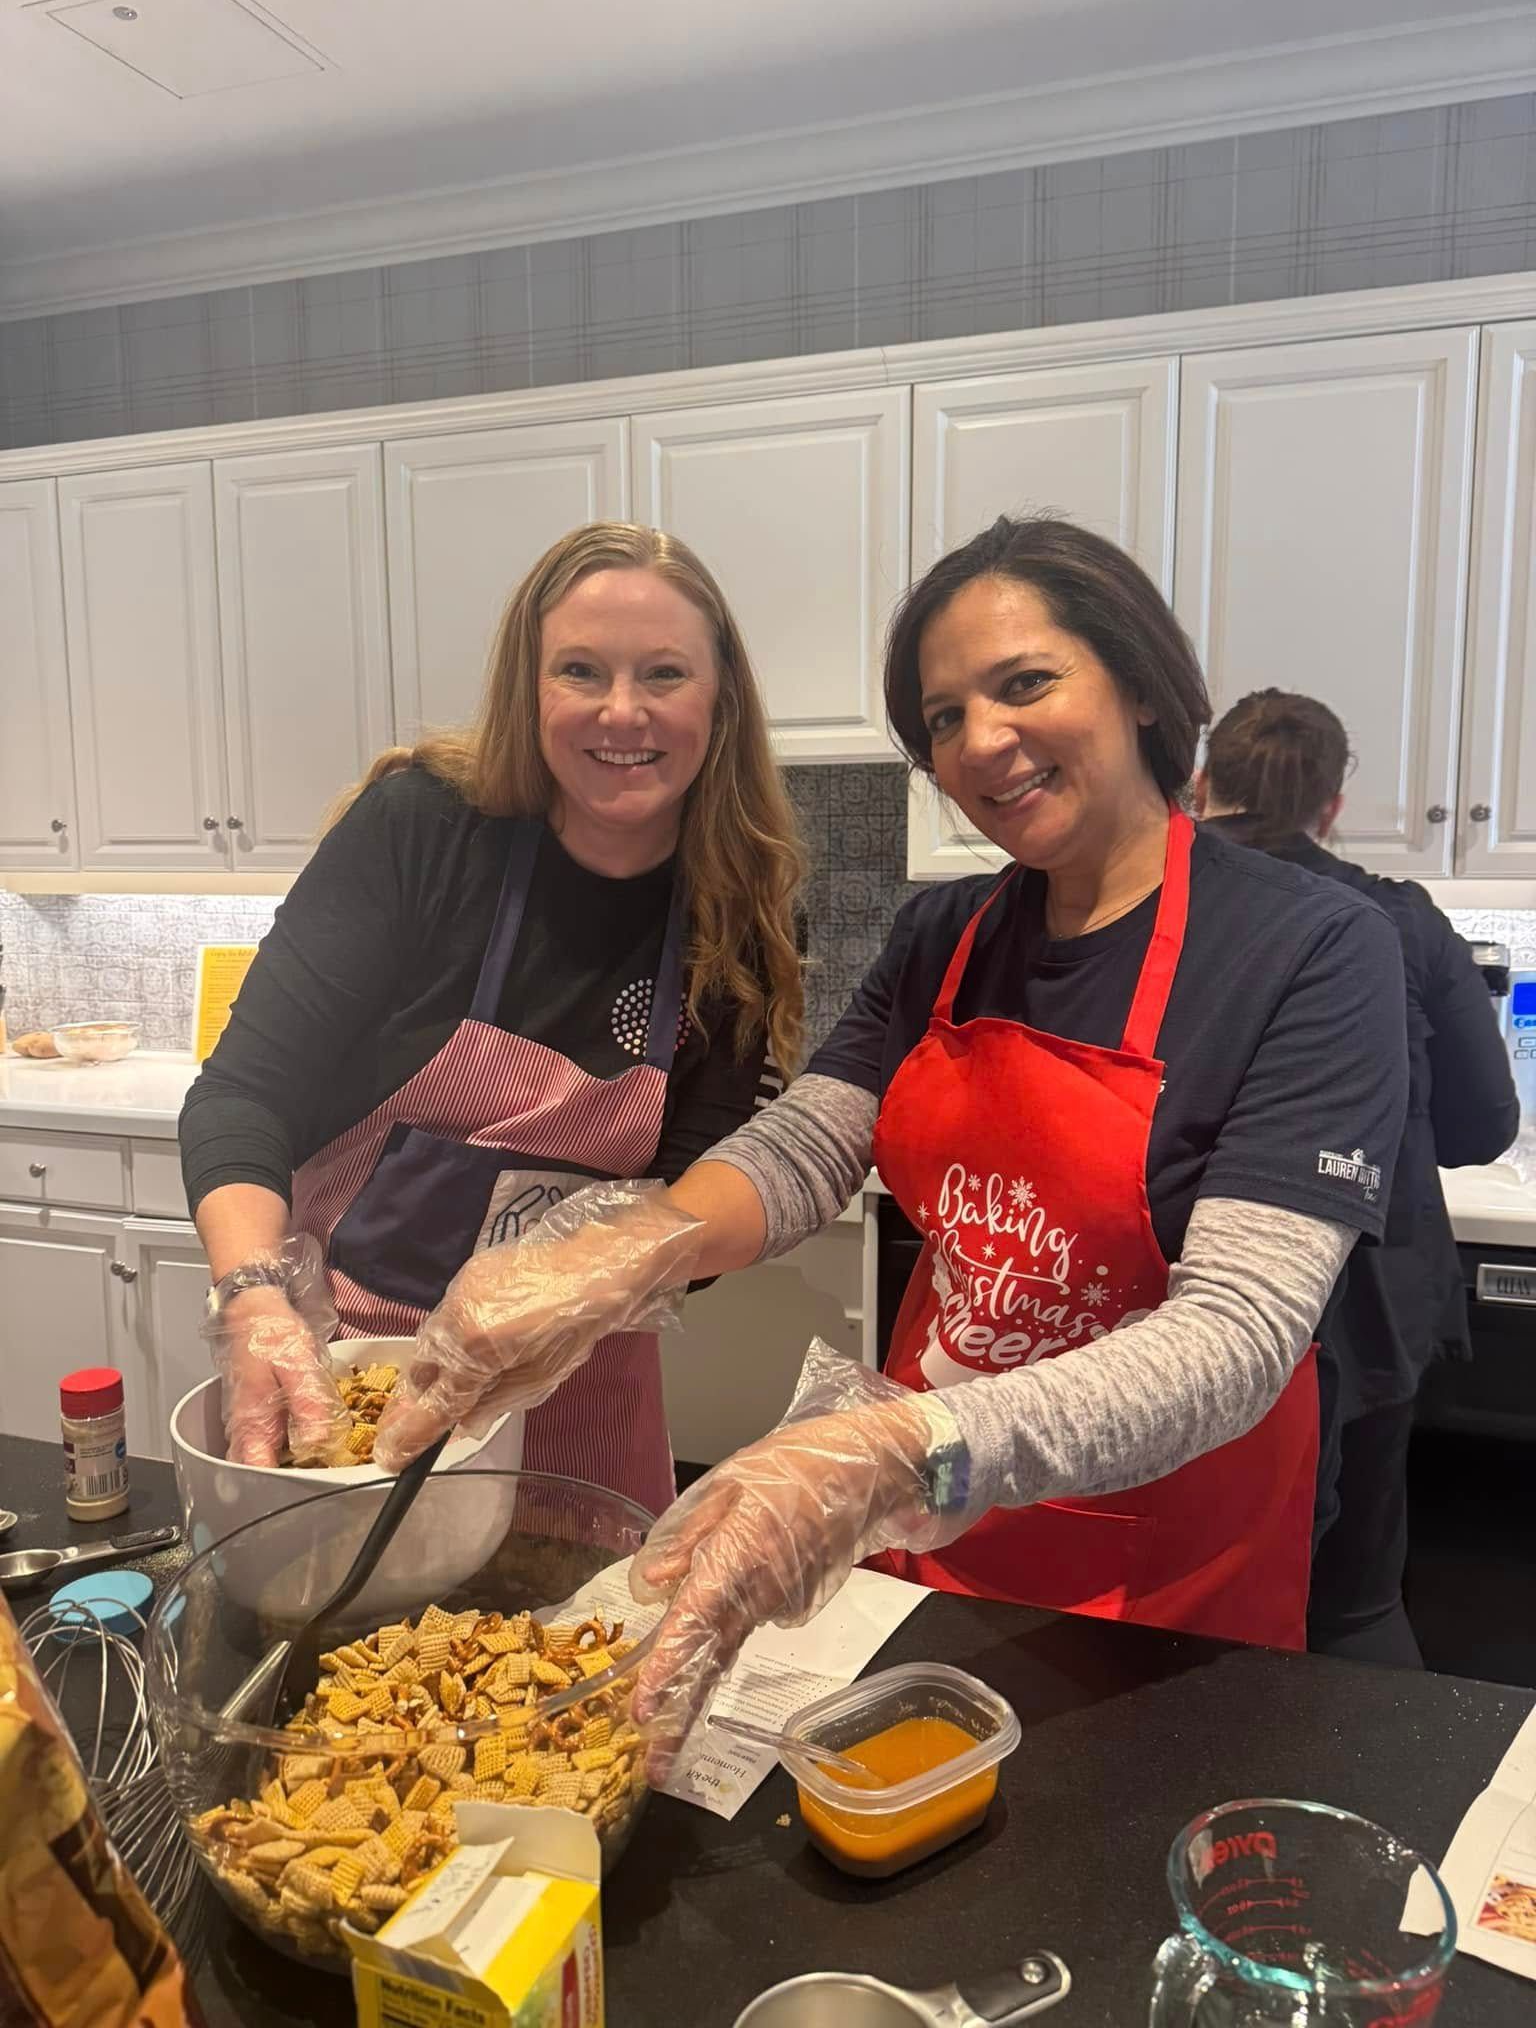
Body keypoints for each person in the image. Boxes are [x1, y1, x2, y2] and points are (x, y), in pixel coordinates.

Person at [365, 514, 1412, 1762]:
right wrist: (636, 1247)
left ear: (1136, 680)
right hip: (930, 1539)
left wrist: (895, 1446)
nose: (982, 743)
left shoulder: (1313, 948)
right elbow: (812, 1142)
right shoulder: (948, 934)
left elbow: (1236, 1335)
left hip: (1165, 1591)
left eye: (1024, 684)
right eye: (944, 718)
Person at [181, 520, 805, 1515]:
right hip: (348, 1383)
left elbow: (699, 1199)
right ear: (530, 685)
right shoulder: (421, 831)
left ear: (721, 697)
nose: (622, 710)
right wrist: (254, 1295)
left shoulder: (738, 906)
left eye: (664, 673)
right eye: (580, 670)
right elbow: (242, 1096)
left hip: (583, 1394)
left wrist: (563, 1288)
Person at [1195, 689, 1519, 1666]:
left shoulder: (1165, 904)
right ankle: (1366, 1803)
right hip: (1366, 1296)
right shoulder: (1399, 921)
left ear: (1202, 784)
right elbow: (1482, 1123)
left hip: (1195, 1293)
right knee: (1354, 1595)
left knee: (1198, 1575)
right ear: (1334, 805)